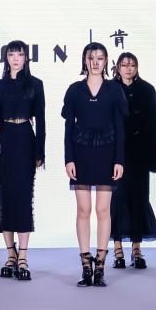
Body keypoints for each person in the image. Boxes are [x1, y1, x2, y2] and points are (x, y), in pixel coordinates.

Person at [62, 42, 127, 287]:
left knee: (103, 210)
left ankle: (100, 266)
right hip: (80, 153)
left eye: (100, 58)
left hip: (107, 152)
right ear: (85, 61)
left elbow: (120, 127)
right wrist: (68, 158)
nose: (96, 62)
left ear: (106, 61)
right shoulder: (75, 90)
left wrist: (119, 160)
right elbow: (68, 128)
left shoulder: (114, 89)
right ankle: (85, 266)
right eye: (91, 58)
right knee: (83, 210)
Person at [0, 40, 46, 281]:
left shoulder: (36, 84)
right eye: (12, 54)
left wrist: (40, 152)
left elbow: (41, 121)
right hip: (3, 142)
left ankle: (23, 257)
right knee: (3, 196)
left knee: (23, 197)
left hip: (25, 141)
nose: (16, 58)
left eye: (20, 54)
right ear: (6, 58)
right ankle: (10, 254)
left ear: (26, 57)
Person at [110, 52, 156, 270]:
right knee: (117, 199)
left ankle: (136, 248)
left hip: (140, 153)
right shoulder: (109, 89)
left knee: (139, 198)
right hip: (115, 153)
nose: (128, 68)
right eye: (124, 64)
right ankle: (117, 249)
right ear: (117, 67)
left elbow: (155, 124)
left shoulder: (147, 90)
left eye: (132, 64)